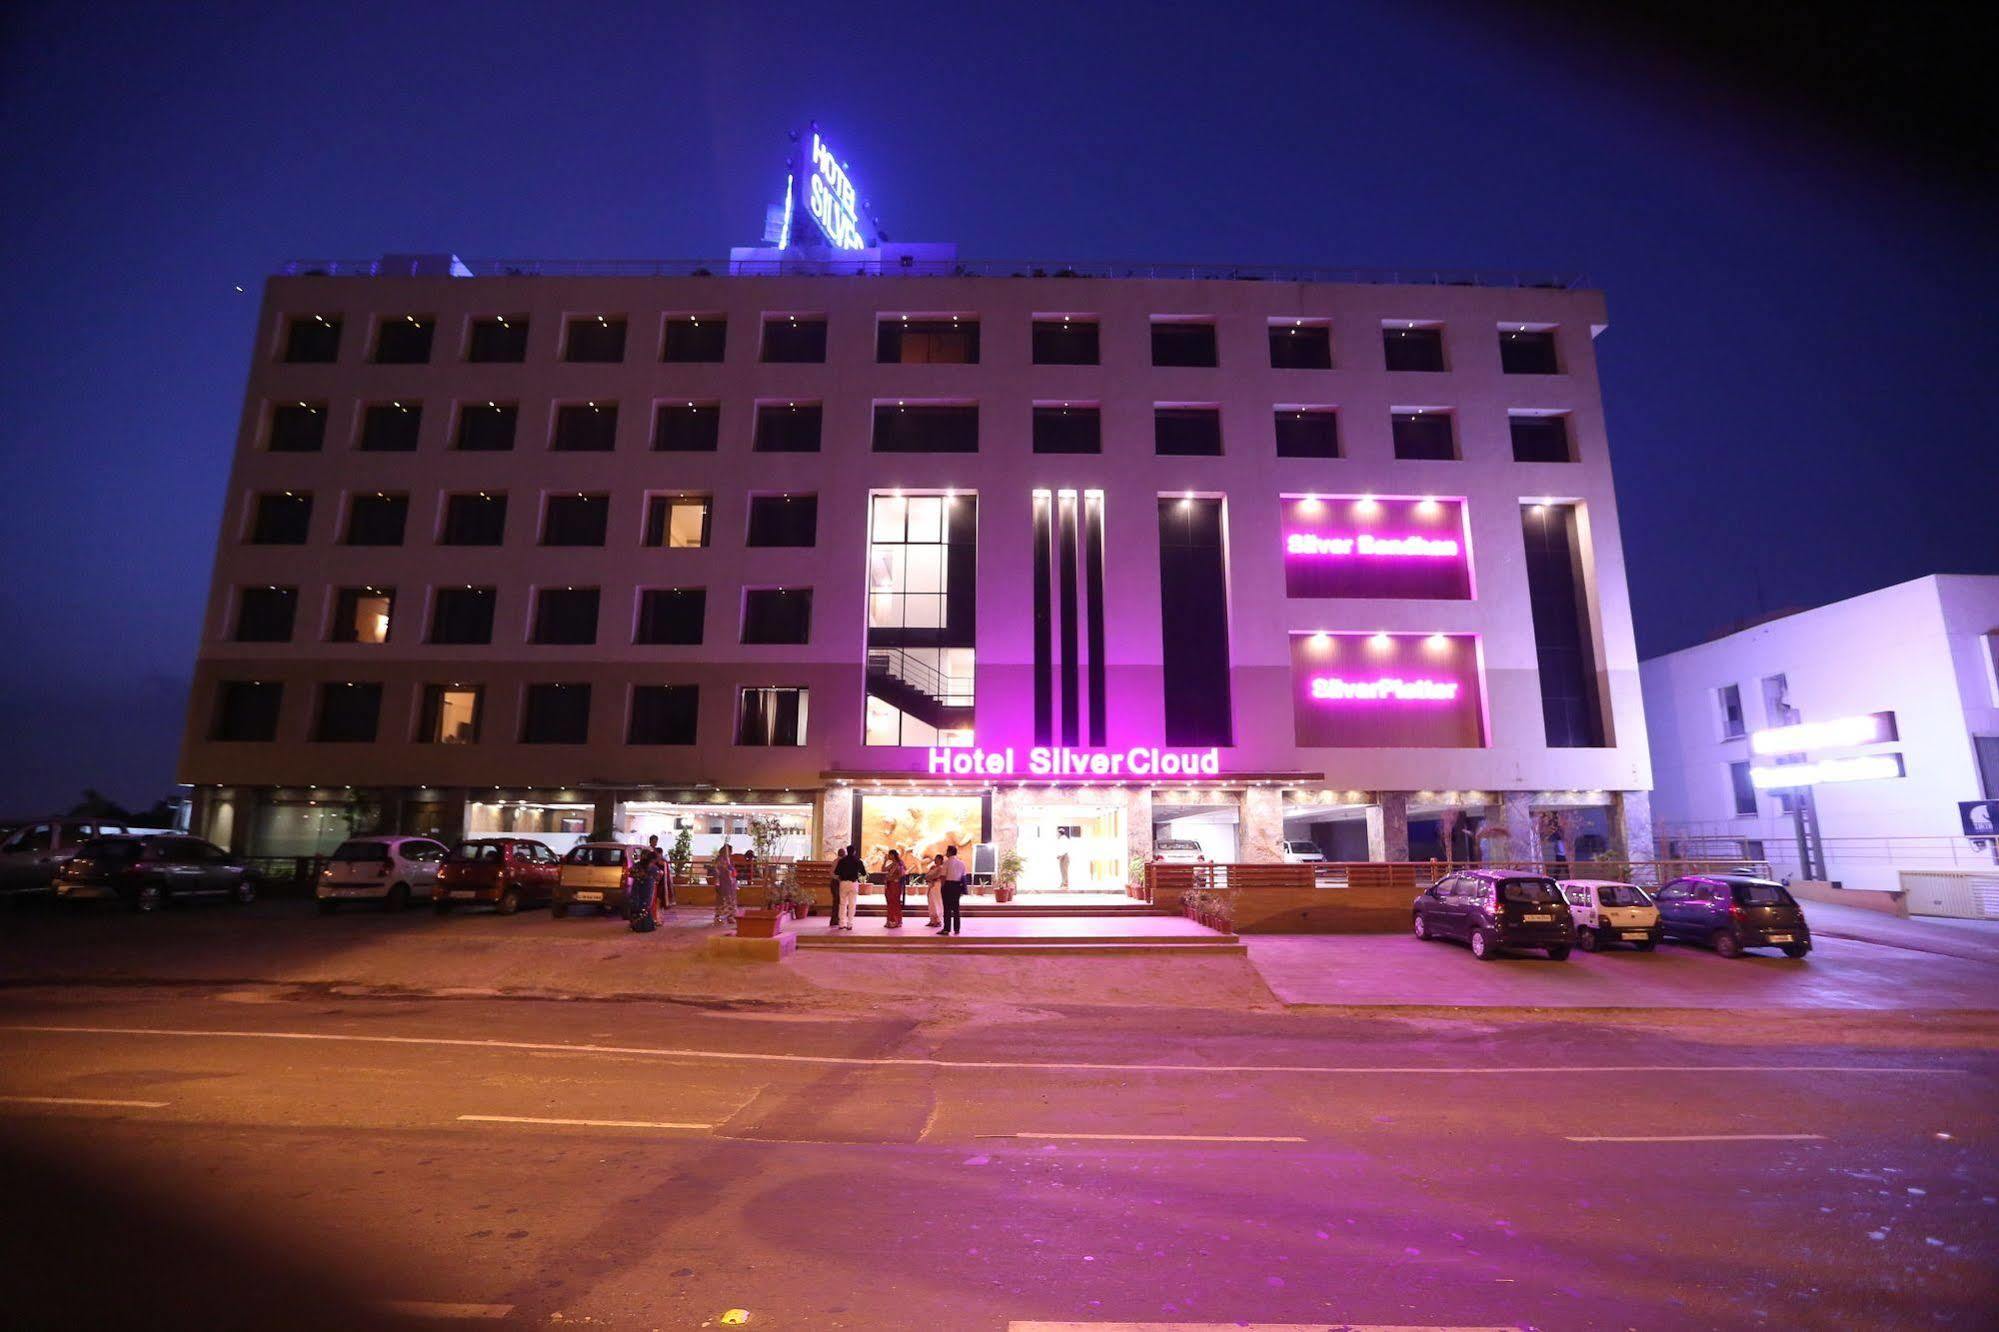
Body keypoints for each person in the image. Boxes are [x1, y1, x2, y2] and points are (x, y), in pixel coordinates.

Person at [628, 847, 664, 932]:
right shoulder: (651, 867)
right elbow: (658, 877)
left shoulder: (639, 865)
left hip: (642, 887)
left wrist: (640, 876)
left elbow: (631, 873)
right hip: (644, 887)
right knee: (642, 904)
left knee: (642, 905)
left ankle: (639, 926)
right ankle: (641, 926)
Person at [831, 844, 864, 931]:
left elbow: (836, 872)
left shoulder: (842, 861)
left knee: (842, 903)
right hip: (853, 883)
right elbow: (863, 872)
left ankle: (842, 923)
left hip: (843, 883)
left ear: (847, 851)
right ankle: (850, 924)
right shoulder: (857, 861)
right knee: (852, 904)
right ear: (854, 852)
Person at [941, 843, 969, 936]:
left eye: (947, 851)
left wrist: (942, 887)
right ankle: (957, 929)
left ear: (949, 852)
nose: (946, 853)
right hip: (957, 886)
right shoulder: (961, 863)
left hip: (948, 885)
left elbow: (943, 876)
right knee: (956, 908)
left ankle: (946, 929)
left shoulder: (947, 862)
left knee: (947, 908)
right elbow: (963, 876)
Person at [711, 842, 738, 926]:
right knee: (721, 901)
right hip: (723, 884)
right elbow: (717, 872)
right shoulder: (720, 860)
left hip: (730, 885)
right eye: (730, 851)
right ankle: (718, 917)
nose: (731, 853)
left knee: (730, 900)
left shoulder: (729, 860)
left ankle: (730, 916)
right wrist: (717, 882)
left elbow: (733, 872)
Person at [880, 848, 906, 929]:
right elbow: (883, 869)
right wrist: (885, 860)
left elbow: (902, 874)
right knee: (890, 903)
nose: (889, 856)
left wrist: (893, 879)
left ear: (893, 855)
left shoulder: (899, 864)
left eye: (890, 854)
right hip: (889, 885)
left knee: (895, 902)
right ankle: (890, 920)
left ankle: (896, 921)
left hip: (895, 885)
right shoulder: (892, 864)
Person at [924, 853, 946, 928]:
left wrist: (930, 878)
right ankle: (932, 920)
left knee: (937, 902)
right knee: (931, 902)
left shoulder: (941, 868)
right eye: (935, 859)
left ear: (941, 860)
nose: (935, 860)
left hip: (937, 886)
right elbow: (926, 876)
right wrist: (929, 878)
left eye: (937, 859)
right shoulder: (932, 867)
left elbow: (935, 876)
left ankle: (938, 920)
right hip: (931, 885)